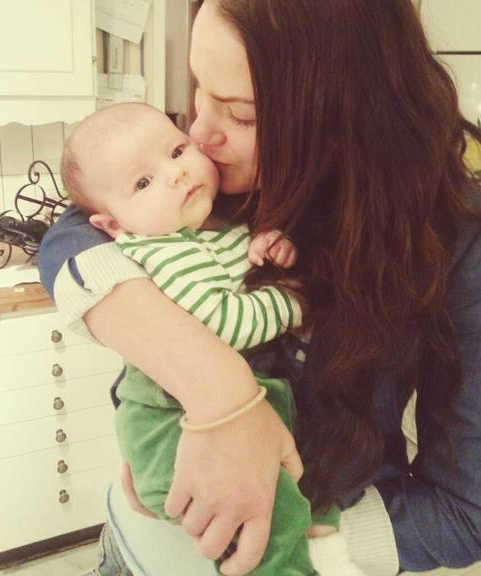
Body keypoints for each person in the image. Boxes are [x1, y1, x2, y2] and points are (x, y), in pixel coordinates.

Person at [39, 0, 481, 576]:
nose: (199, 136)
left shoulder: (471, 239)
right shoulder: (204, 177)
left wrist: (292, 542)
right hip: (133, 551)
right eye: (198, 89)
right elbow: (70, 233)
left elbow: (469, 511)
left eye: (242, 114)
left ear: (348, 122)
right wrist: (220, 392)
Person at [59, 102, 339, 576]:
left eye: (176, 150)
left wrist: (272, 247)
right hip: (167, 427)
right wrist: (293, 299)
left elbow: (241, 271)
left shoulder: (208, 226)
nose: (176, 174)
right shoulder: (160, 248)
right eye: (143, 183)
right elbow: (225, 322)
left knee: (293, 465)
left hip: (235, 413)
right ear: (113, 225)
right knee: (266, 506)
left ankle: (314, 517)